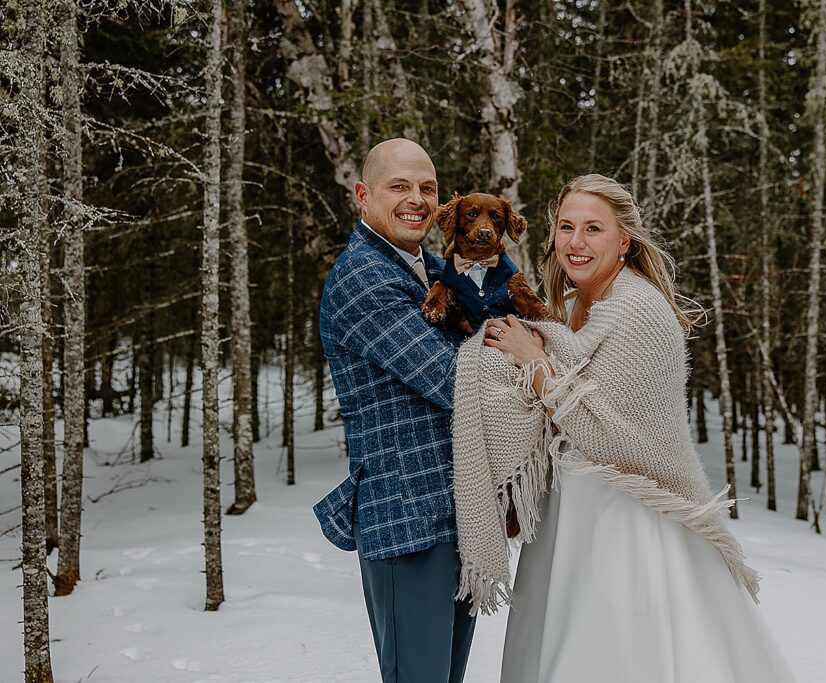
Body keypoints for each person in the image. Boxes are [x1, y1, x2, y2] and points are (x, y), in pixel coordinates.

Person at [481, 174, 795, 682]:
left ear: (624, 241)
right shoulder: (573, 308)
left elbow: (612, 434)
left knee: (616, 655)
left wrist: (534, 361)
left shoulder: (639, 309)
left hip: (627, 520)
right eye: (566, 227)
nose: (575, 242)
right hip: (571, 514)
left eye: (592, 229)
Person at [313, 138, 476, 683]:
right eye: (398, 186)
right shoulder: (364, 276)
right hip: (407, 520)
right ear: (363, 196)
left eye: (426, 188)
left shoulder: (433, 268)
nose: (416, 199)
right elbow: (457, 382)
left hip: (458, 515)